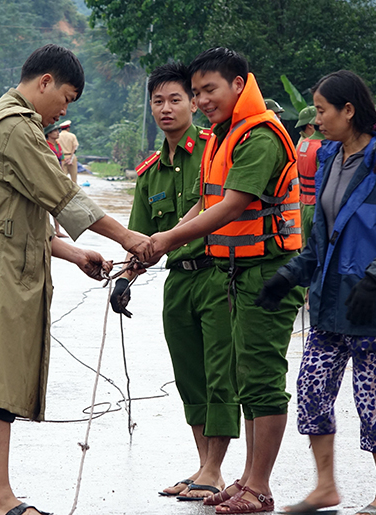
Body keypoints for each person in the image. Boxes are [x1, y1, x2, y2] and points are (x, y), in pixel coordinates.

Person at [0, 44, 153, 515]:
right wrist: (130, 238)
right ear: (44, 82)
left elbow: (12, 217)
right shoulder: (17, 128)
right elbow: (65, 197)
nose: (64, 109)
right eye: (67, 97)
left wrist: (74, 253)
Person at [255, 70, 376, 515]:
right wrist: (287, 277)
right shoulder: (332, 159)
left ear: (348, 110)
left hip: (374, 304)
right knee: (312, 389)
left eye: (321, 110)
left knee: (374, 402)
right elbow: (321, 241)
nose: (315, 120)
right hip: (331, 303)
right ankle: (325, 488)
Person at [148, 47, 304, 514]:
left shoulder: (259, 136)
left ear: (239, 84)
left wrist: (166, 238)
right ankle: (247, 478)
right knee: (243, 376)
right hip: (236, 270)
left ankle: (260, 486)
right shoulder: (223, 135)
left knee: (260, 380)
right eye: (196, 92)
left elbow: (232, 205)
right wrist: (165, 240)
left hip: (268, 272)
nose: (202, 100)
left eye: (208, 90)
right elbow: (205, 200)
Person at [110, 62, 237, 500]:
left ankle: (214, 470)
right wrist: (125, 277)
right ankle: (204, 466)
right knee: (190, 378)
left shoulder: (214, 150)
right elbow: (141, 239)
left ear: (193, 104)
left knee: (221, 374)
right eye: (158, 101)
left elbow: (216, 207)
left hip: (218, 275)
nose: (166, 108)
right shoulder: (150, 173)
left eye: (175, 99)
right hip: (177, 284)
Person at [295, 105, 325, 245]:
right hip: (317, 207)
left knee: (307, 249)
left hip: (304, 205)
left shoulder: (302, 144)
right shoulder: (323, 147)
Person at [44, 123, 69, 238]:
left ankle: (57, 230)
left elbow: (62, 159)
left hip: (58, 174)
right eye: (55, 131)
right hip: (48, 175)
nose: (58, 133)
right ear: (49, 134)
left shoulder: (58, 145)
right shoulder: (46, 145)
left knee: (57, 203)